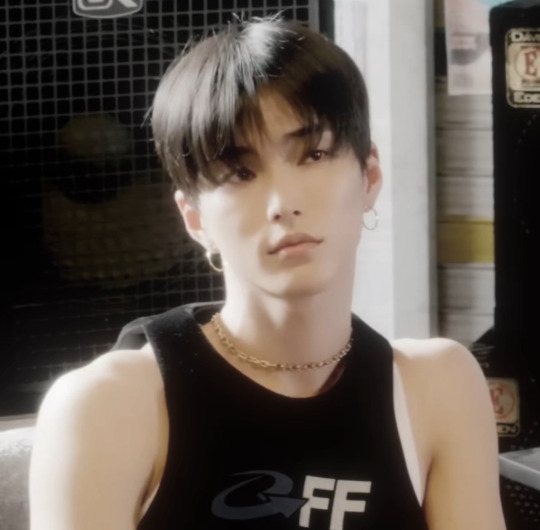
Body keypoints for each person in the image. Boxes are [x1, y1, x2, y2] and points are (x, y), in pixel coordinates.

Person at [29, 14, 506, 530]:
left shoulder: (438, 388)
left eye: (314, 154)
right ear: (194, 217)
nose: (283, 203)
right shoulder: (110, 406)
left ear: (369, 175)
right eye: (240, 172)